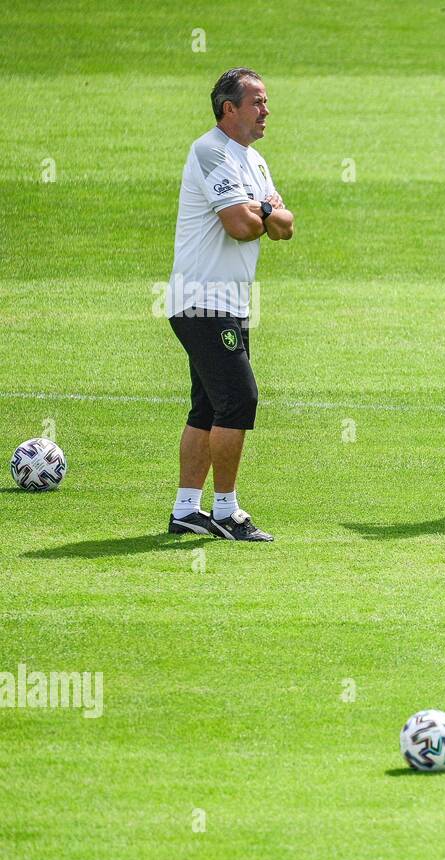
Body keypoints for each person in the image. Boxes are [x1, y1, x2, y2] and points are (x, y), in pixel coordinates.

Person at [165, 68, 294, 542]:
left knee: (208, 407)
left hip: (230, 303)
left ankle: (185, 509)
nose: (266, 111)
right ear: (229, 109)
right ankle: (226, 510)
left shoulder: (254, 162)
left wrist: (261, 212)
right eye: (257, 102)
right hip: (202, 301)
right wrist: (264, 210)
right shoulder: (211, 151)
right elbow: (242, 226)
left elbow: (286, 227)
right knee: (240, 399)